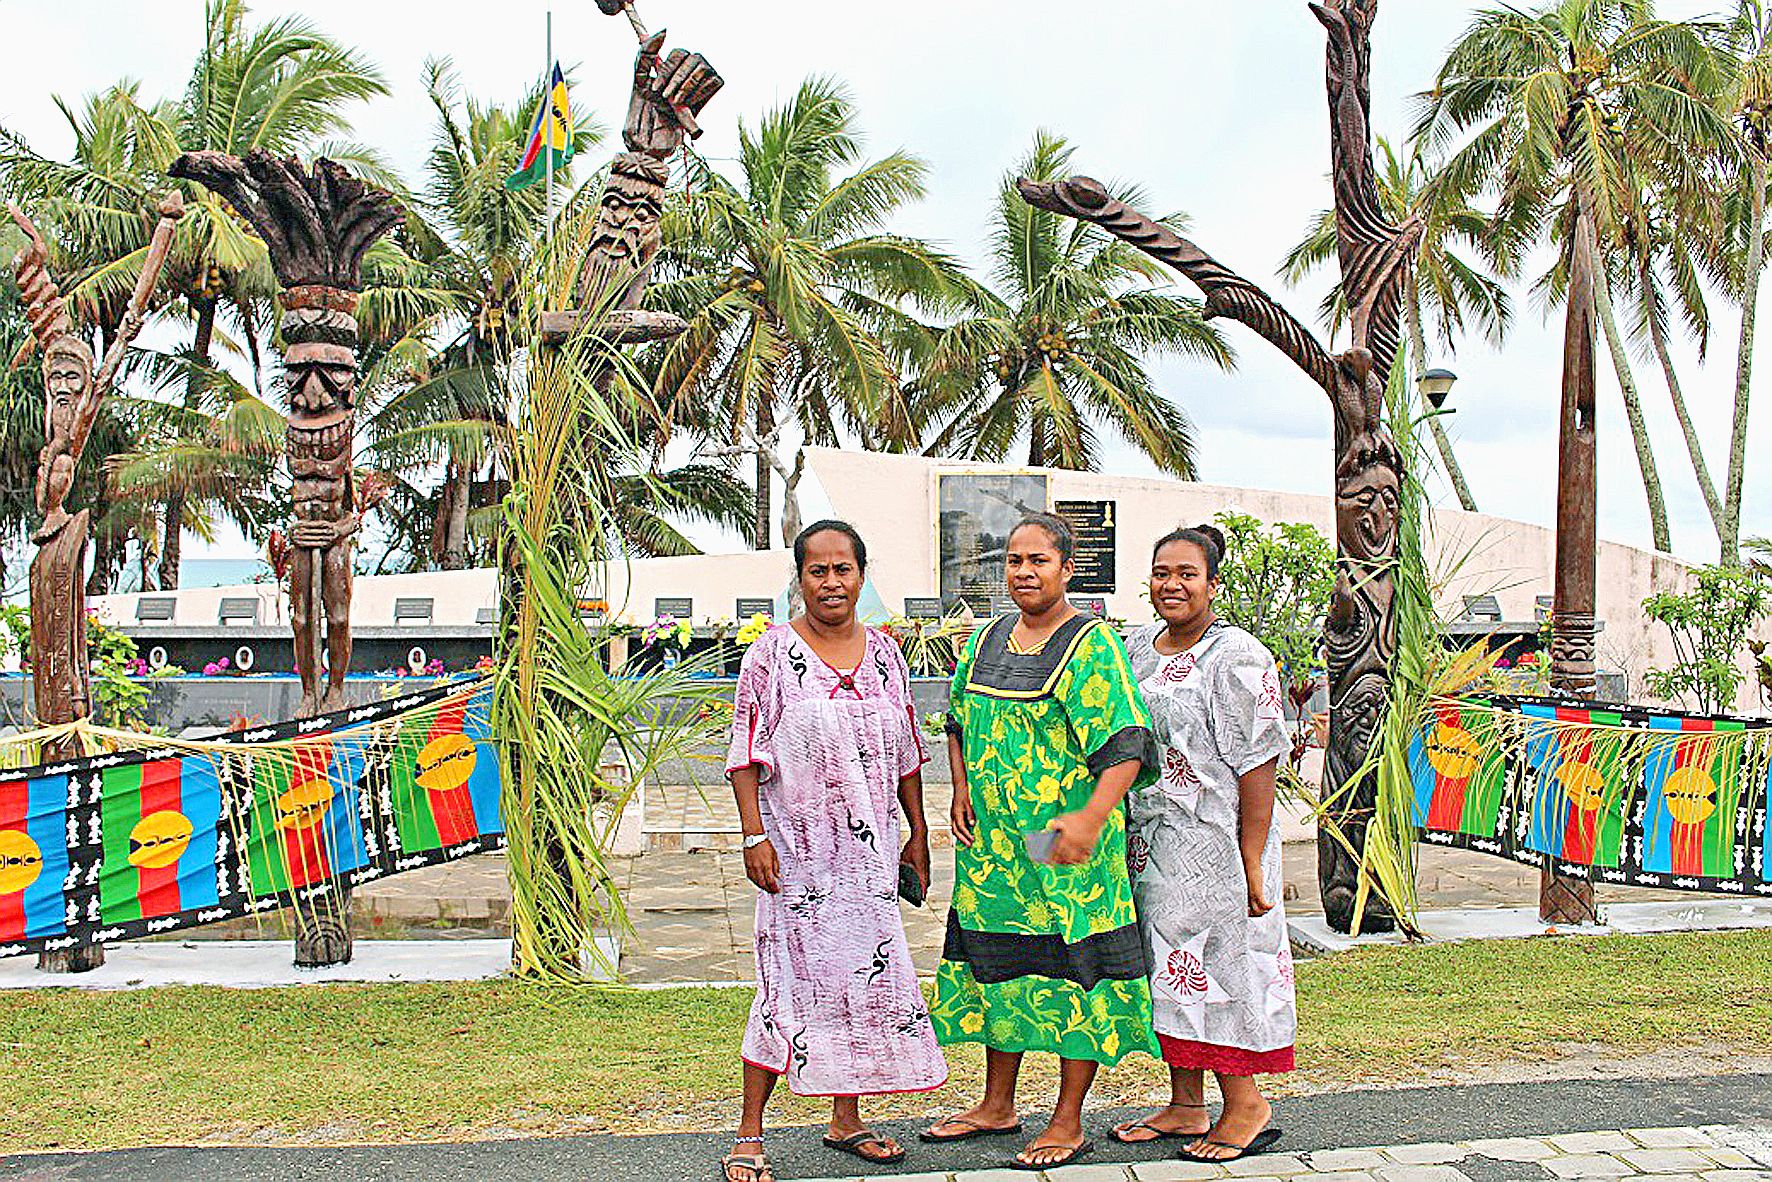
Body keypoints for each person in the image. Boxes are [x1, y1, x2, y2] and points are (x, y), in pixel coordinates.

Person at [924, 513, 1159, 1172]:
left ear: (1067, 568)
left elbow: (1126, 743)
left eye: (1038, 561)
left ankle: (1067, 1119)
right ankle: (996, 1104)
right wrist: (960, 788)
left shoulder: (1091, 645)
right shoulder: (987, 637)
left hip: (1061, 846)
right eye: (1015, 561)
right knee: (1001, 968)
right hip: (997, 850)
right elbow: (957, 717)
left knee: (1070, 972)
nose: (1024, 572)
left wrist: (1088, 819)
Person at [719, 521, 946, 1182]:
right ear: (800, 578)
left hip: (869, 860)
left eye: (842, 569)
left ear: (861, 574)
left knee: (861, 983)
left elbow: (906, 751)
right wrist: (754, 835)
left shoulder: (885, 655)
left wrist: (918, 833)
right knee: (783, 984)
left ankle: (847, 1121)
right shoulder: (770, 653)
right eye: (816, 571)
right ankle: (750, 1133)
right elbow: (744, 752)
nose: (830, 583)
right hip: (797, 859)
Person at [1110, 523, 1293, 1165]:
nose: (1172, 585)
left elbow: (1259, 760)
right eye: (1163, 572)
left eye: (1188, 573)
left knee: (1221, 969)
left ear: (1214, 583)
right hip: (1153, 843)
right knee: (1168, 971)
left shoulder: (1238, 655)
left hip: (1220, 845)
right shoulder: (1135, 649)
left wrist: (1252, 858)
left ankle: (1246, 1104)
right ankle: (1185, 1102)